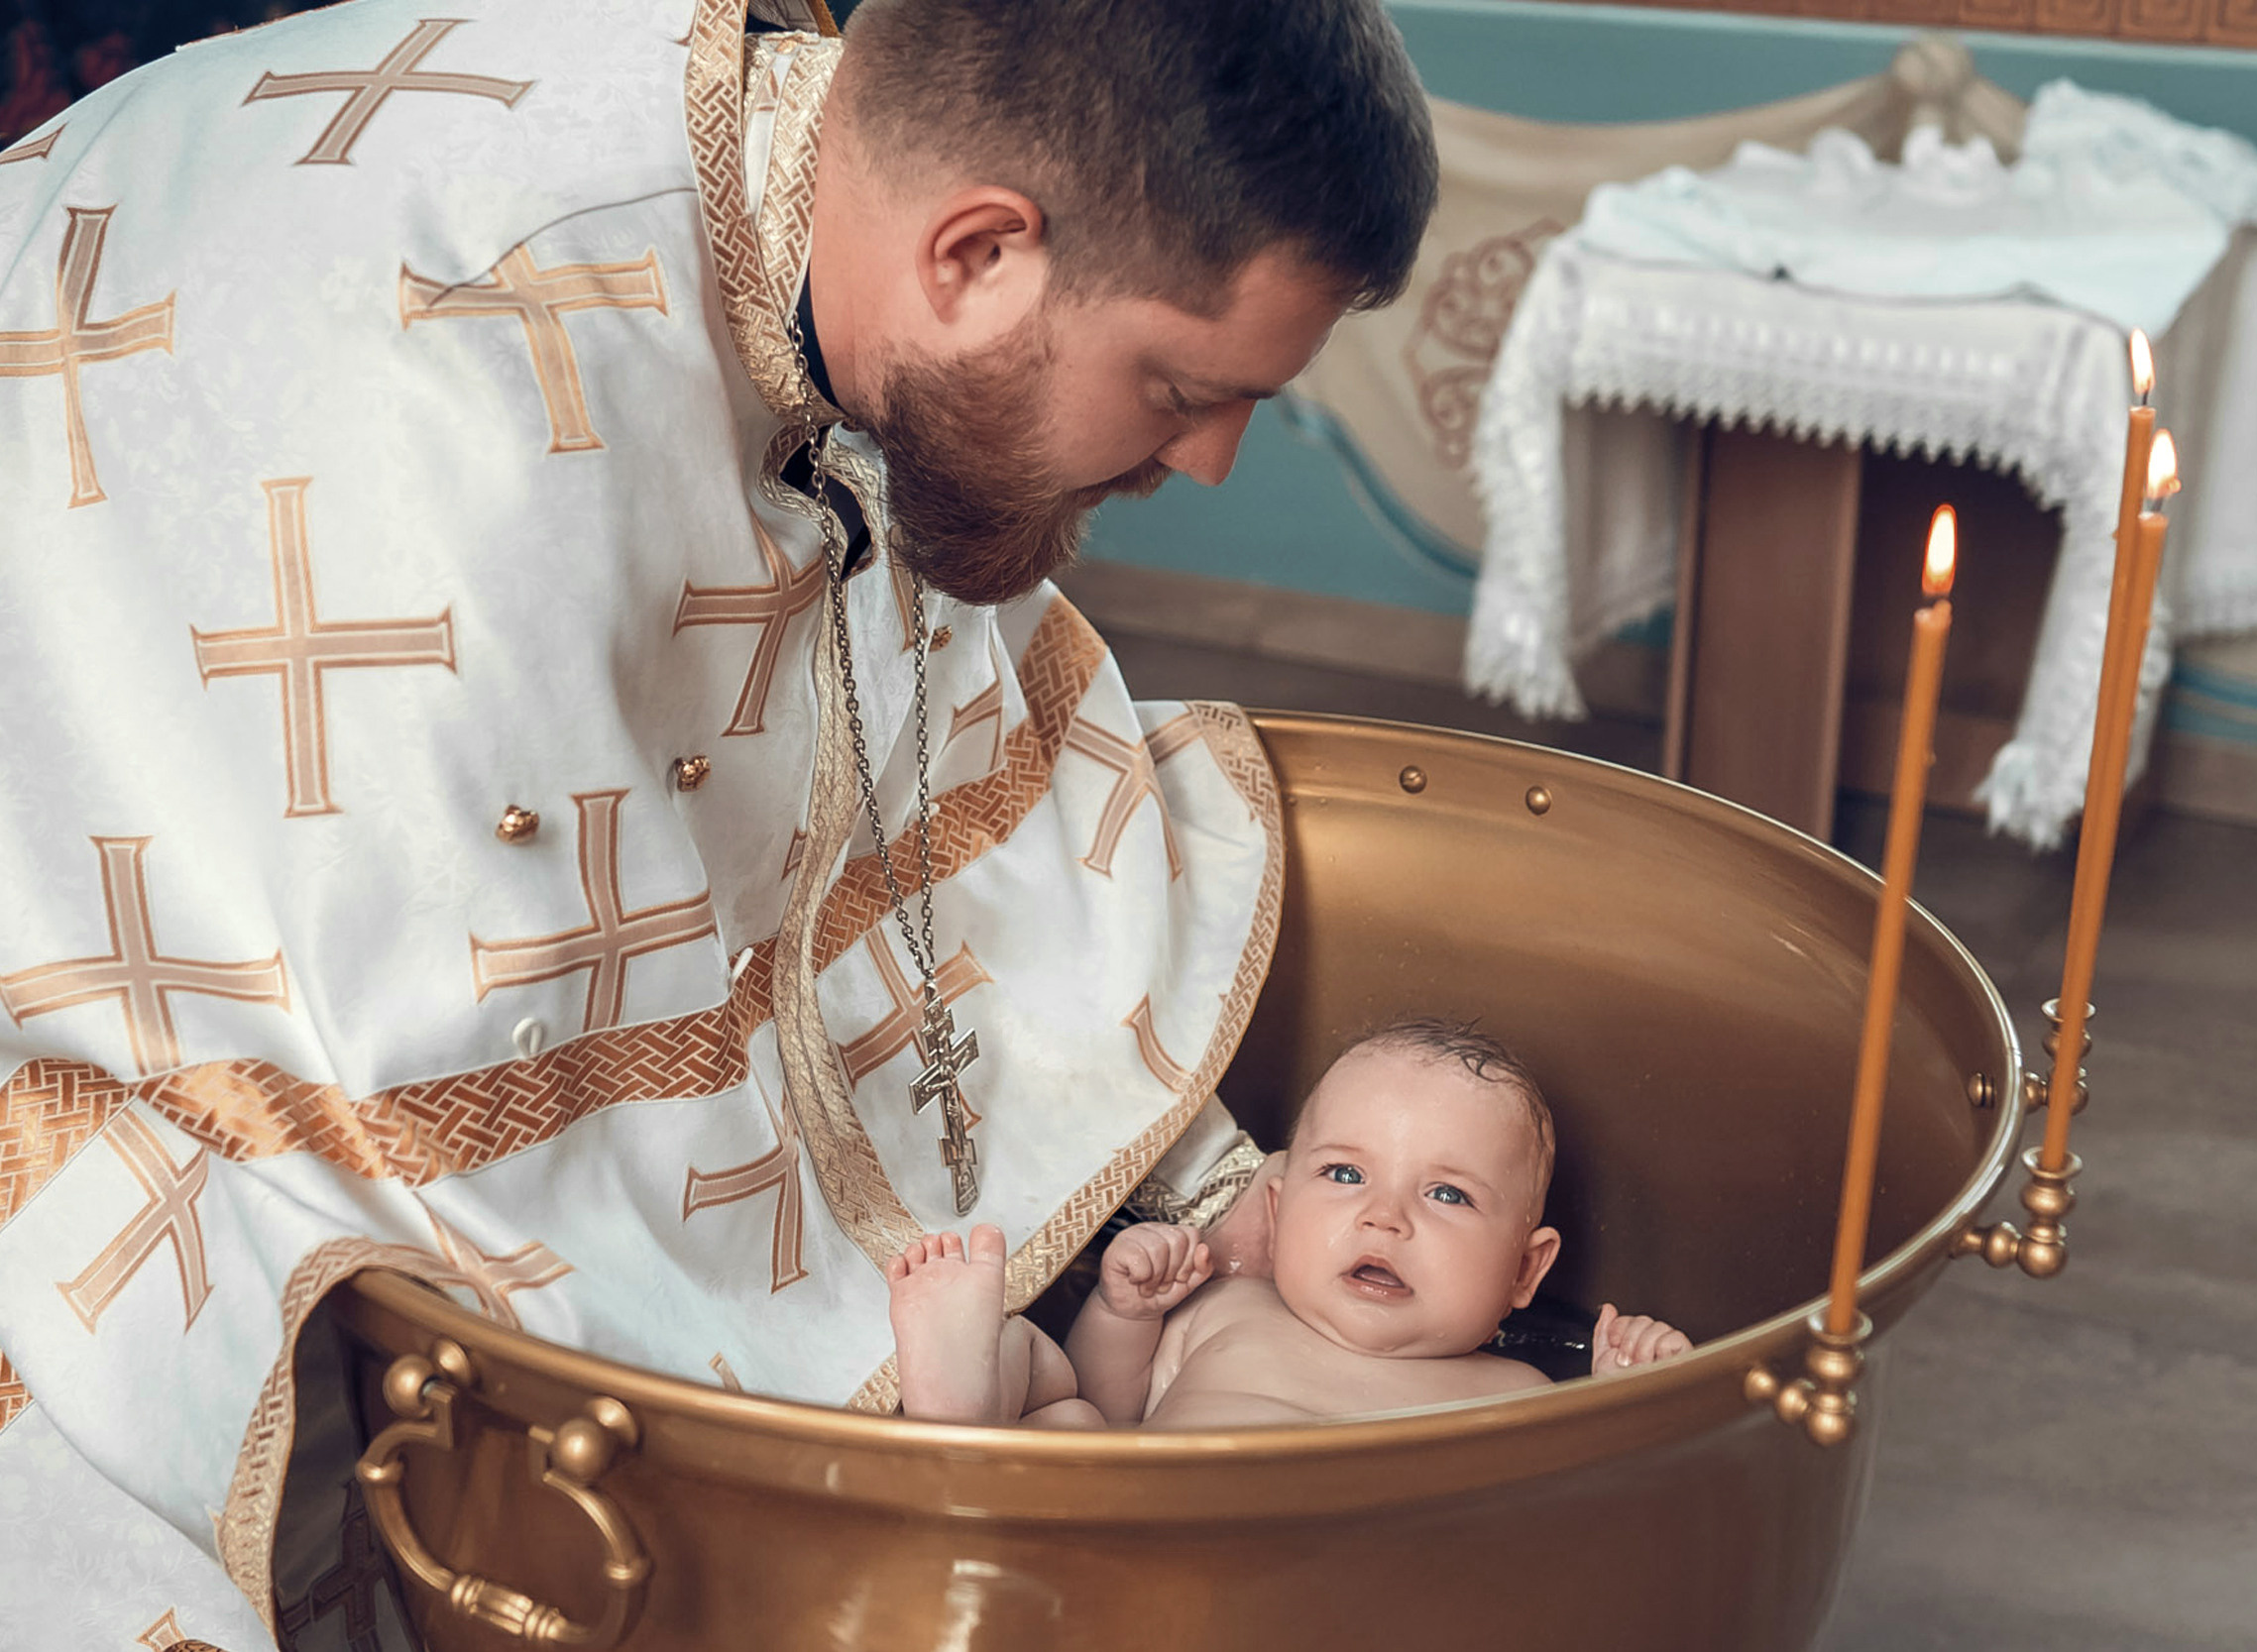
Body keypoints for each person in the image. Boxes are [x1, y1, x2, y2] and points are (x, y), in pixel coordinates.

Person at [0, 0, 1433, 1638]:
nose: (1222, 459)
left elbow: (853, 683)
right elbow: (431, 1051)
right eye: (1183, 385)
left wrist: (1184, 1186)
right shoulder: (455, 454)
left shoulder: (819, 185)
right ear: (975, 256)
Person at [887, 1020, 1693, 1428]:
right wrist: (1122, 1312)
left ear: (1525, 1270)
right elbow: (1115, 1404)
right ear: (1276, 1211)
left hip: (1318, 1590)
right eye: (1345, 1174)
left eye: (1448, 1195)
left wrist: (1630, 1406)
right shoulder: (1226, 1311)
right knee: (1062, 1400)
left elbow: (1563, 1530)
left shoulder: (1520, 1396)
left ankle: (955, 1434)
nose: (1386, 1216)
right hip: (1128, 1533)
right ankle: (955, 1408)